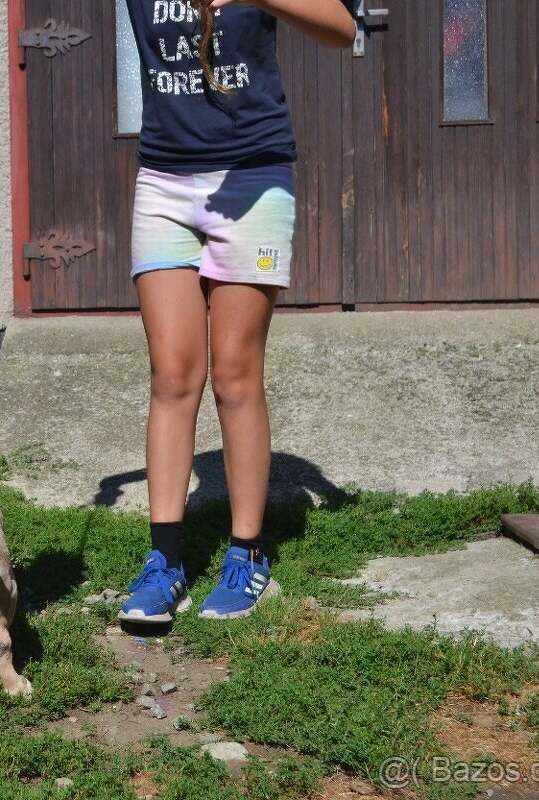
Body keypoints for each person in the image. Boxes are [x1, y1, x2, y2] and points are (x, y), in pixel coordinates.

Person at [118, 0, 357, 623]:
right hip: (163, 181)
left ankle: (246, 553)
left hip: (254, 175)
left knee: (233, 372)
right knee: (172, 374)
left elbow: (341, 26)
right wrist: (114, 481)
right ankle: (164, 561)